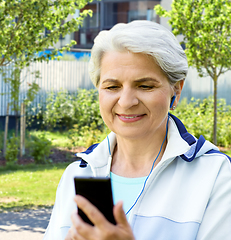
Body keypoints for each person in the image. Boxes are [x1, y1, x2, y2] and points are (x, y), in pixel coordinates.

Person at [43, 20, 231, 240]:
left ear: (176, 91)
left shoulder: (216, 176)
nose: (126, 102)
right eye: (112, 86)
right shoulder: (77, 174)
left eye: (145, 86)